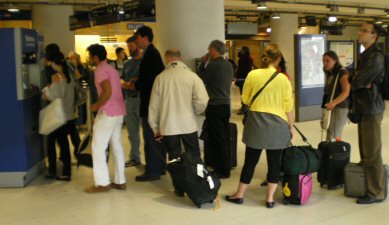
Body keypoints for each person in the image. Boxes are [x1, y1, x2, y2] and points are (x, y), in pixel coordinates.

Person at [225, 43, 294, 208]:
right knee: (274, 163)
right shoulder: (283, 79)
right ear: (278, 59)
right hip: (278, 124)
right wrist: (290, 127)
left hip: (256, 123)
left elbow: (246, 100)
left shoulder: (252, 75)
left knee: (250, 161)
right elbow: (288, 107)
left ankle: (239, 195)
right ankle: (270, 199)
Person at [148, 49, 209, 196]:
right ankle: (200, 180)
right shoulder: (192, 76)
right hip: (188, 124)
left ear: (166, 59)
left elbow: (153, 106)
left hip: (168, 127)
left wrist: (155, 127)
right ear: (180, 58)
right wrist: (195, 110)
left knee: (174, 158)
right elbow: (203, 99)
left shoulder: (160, 78)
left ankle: (179, 187)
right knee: (195, 155)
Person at [351, 22, 386, 204]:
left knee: (372, 153)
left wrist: (359, 81)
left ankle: (376, 193)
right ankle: (367, 187)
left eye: (364, 30)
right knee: (366, 152)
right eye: (361, 29)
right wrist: (359, 80)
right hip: (364, 107)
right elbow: (356, 79)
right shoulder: (366, 55)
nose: (360, 32)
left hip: (372, 108)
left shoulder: (376, 57)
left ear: (374, 36)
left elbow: (357, 81)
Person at [84, 44, 127, 193]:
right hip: (119, 111)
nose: (89, 59)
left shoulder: (100, 70)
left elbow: (107, 92)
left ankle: (102, 183)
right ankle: (120, 181)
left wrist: (96, 106)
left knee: (98, 147)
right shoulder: (111, 69)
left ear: (95, 57)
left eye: (90, 56)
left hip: (108, 112)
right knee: (117, 146)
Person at [131, 25, 167, 182]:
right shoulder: (152, 53)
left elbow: (149, 81)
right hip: (154, 103)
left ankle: (152, 170)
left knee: (151, 136)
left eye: (137, 37)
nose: (136, 40)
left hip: (150, 104)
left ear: (145, 38)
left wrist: (136, 84)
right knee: (156, 137)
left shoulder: (150, 54)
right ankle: (160, 167)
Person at [198, 40, 234, 179]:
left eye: (209, 49)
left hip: (215, 106)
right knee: (223, 136)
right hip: (225, 105)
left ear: (214, 50)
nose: (208, 52)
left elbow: (200, 78)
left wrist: (202, 63)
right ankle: (222, 164)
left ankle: (223, 170)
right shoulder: (228, 64)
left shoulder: (214, 65)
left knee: (217, 138)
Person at [42, 51, 76, 182]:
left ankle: (54, 171)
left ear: (54, 62)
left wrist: (45, 91)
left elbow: (52, 96)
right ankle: (66, 171)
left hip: (57, 114)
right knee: (64, 143)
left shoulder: (57, 77)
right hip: (67, 114)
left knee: (52, 143)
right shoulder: (68, 75)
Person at [121, 36, 142, 167]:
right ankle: (134, 157)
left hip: (141, 99)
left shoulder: (145, 62)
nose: (129, 49)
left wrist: (136, 84)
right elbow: (121, 79)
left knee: (148, 131)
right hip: (129, 99)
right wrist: (125, 84)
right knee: (132, 131)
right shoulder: (126, 64)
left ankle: (152, 159)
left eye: (132, 47)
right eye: (128, 47)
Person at [321, 51, 350, 140]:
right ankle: (330, 153)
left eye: (328, 61)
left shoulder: (342, 72)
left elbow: (346, 91)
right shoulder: (330, 74)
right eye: (323, 61)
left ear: (335, 61)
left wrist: (333, 103)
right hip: (330, 108)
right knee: (330, 134)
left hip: (340, 108)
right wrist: (323, 113)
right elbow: (327, 94)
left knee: (333, 134)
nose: (325, 63)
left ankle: (336, 153)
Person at [235, 46, 253, 115]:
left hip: (242, 77)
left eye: (241, 50)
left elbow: (240, 68)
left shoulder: (243, 58)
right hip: (247, 77)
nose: (240, 51)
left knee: (242, 93)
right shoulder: (250, 57)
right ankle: (244, 107)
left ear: (244, 51)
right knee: (244, 93)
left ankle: (244, 109)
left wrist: (236, 75)